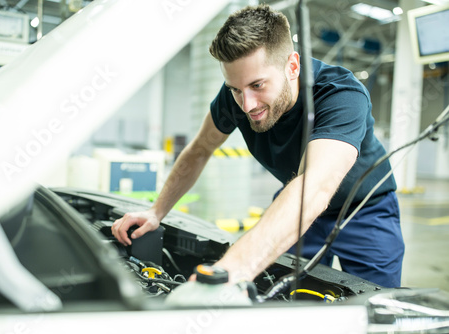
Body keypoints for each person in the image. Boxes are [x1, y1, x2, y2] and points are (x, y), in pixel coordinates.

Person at [112, 4, 404, 288]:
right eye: (236, 89)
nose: (247, 104)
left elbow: (314, 186)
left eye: (257, 85)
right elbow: (200, 150)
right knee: (288, 296)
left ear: (292, 66)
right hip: (294, 201)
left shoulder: (341, 96)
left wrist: (229, 271)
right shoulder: (235, 97)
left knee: (375, 306)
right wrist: (156, 212)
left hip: (364, 210)